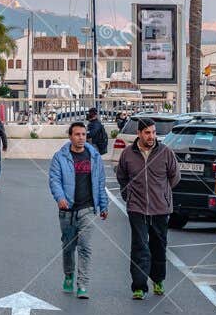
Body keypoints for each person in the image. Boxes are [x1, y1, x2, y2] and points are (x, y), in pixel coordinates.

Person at [114, 117, 180, 299]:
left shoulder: (165, 152)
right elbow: (121, 176)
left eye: (153, 132)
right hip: (137, 208)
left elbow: (175, 176)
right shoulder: (128, 154)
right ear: (139, 134)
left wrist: (163, 194)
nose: (151, 136)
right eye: (147, 133)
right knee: (139, 247)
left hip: (160, 208)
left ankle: (158, 280)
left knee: (159, 246)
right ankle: (139, 286)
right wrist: (129, 195)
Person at [48, 121, 108, 298]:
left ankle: (82, 284)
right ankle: (69, 274)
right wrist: (60, 198)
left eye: (83, 134)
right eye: (77, 134)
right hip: (67, 210)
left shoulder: (94, 157)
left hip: (87, 209)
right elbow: (54, 180)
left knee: (85, 247)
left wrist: (103, 205)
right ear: (70, 136)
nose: (81, 138)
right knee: (68, 246)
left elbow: (100, 182)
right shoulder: (60, 157)